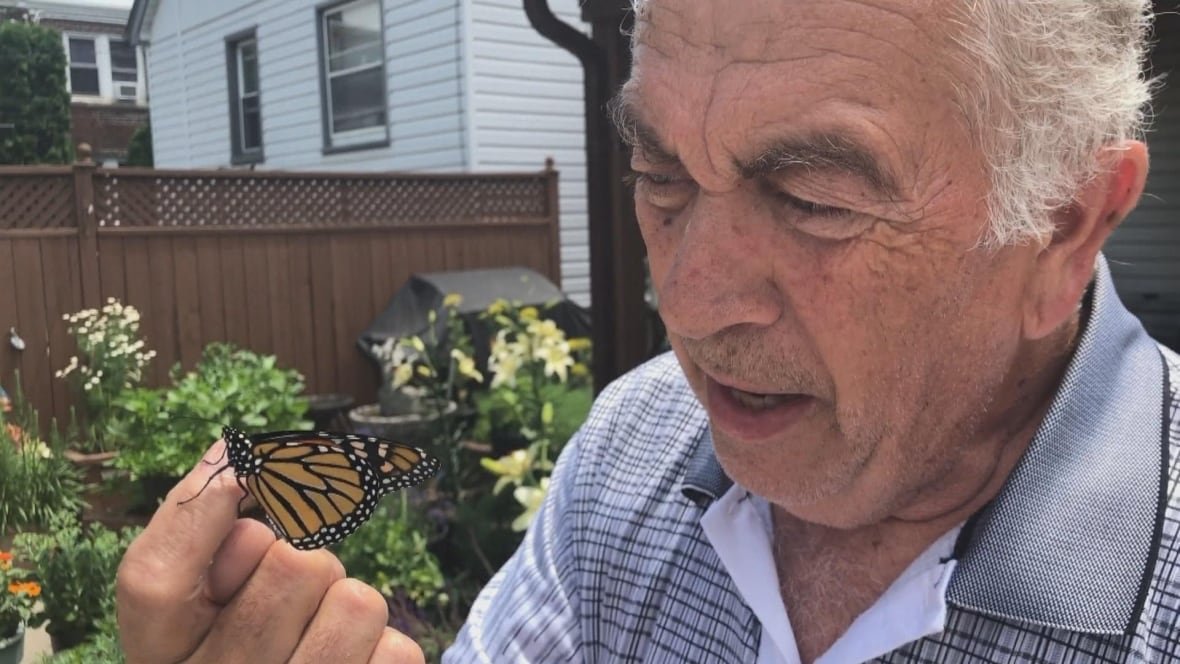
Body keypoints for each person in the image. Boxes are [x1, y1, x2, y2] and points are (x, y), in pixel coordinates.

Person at [116, 1, 1180, 662]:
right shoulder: (636, 444)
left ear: (1064, 225)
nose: (692, 298)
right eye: (660, 177)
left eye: (812, 199)